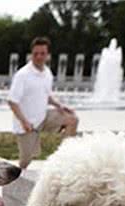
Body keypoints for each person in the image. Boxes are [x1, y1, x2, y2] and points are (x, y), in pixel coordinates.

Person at [8, 36, 78, 169]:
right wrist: (24, 121)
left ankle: (64, 158)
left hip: (43, 117)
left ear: (48, 55)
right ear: (31, 54)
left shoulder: (47, 73)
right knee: (25, 162)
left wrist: (60, 106)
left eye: (43, 53)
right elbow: (12, 102)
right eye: (36, 54)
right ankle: (16, 183)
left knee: (72, 119)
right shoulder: (22, 75)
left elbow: (47, 96)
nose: (39, 57)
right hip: (26, 124)